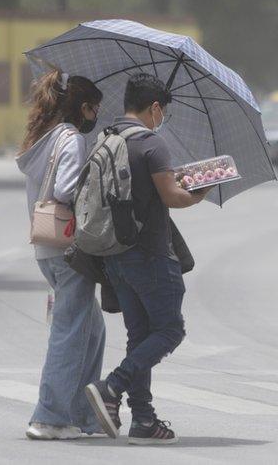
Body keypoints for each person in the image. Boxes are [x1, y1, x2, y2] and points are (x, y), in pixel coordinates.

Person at [85, 74, 211, 445]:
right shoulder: (152, 143)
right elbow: (172, 197)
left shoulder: (107, 138)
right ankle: (113, 386)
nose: (162, 118)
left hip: (114, 255)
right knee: (170, 330)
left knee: (140, 336)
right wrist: (199, 190)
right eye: (163, 111)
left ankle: (143, 419)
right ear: (155, 108)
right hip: (152, 255)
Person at [16, 69, 105, 440]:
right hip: (68, 248)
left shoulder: (44, 136)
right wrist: (97, 177)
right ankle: (50, 417)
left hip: (46, 248)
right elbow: (67, 190)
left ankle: (82, 415)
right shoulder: (70, 140)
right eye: (95, 109)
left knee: (92, 330)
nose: (96, 116)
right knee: (70, 331)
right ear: (83, 108)